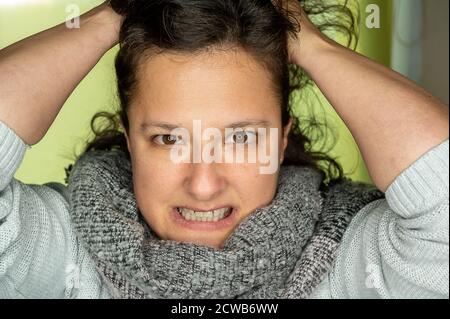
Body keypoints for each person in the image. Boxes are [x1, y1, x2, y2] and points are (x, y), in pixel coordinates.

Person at [0, 0, 448, 299]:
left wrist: (309, 45)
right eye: (169, 138)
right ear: (129, 139)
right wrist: (112, 16)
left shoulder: (348, 261)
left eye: (241, 138)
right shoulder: (63, 251)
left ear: (282, 136)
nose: (203, 184)